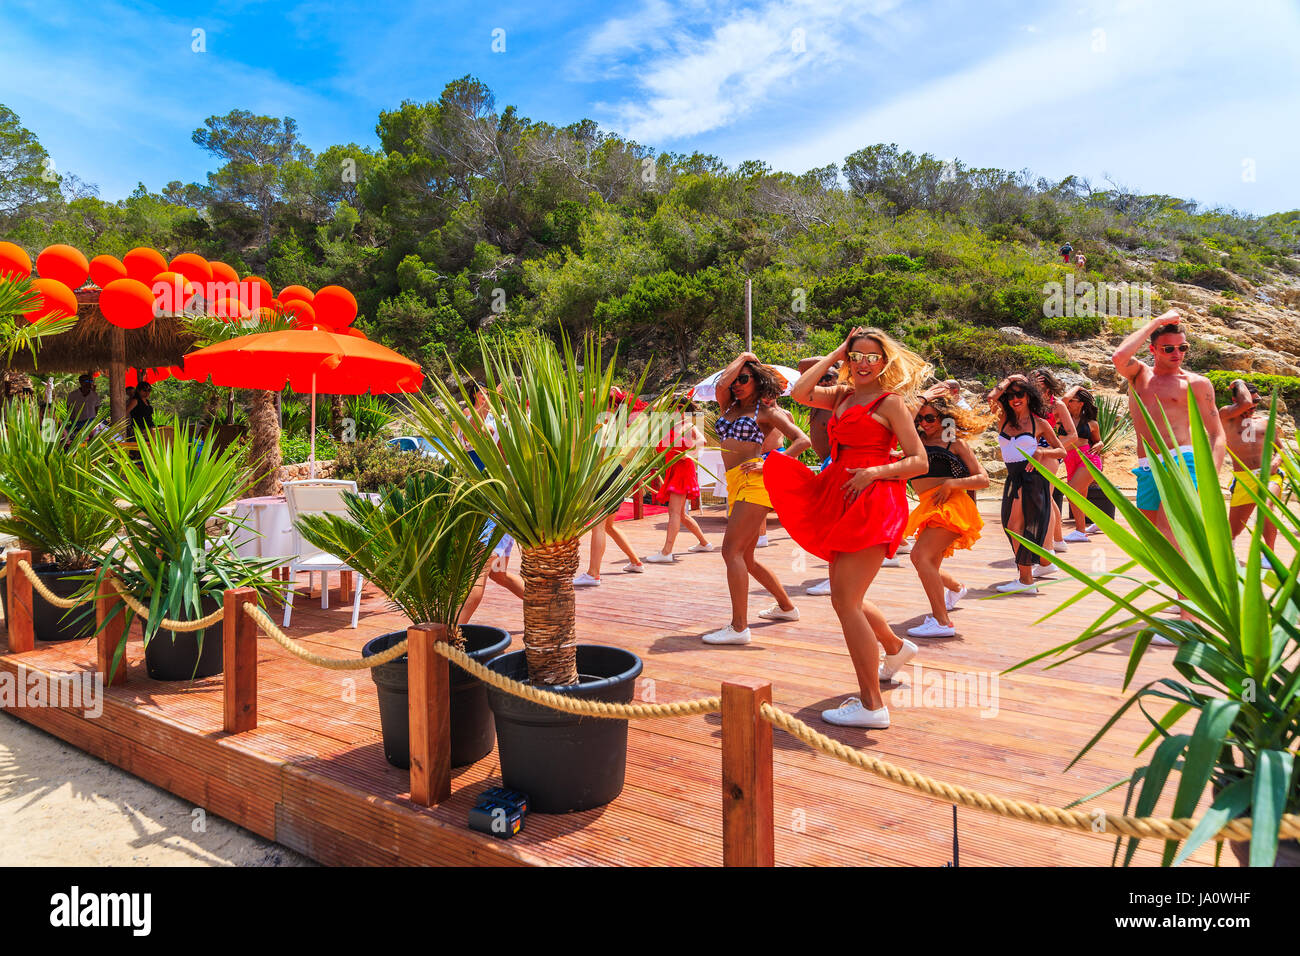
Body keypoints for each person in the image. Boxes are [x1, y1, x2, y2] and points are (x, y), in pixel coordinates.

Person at [765, 328, 929, 729]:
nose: (863, 363)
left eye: (872, 357)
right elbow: (799, 392)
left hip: (873, 499)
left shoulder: (890, 403)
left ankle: (872, 705)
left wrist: (875, 471)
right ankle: (894, 647)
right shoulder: (841, 395)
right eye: (857, 356)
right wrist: (838, 351)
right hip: (839, 494)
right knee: (846, 597)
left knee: (845, 600)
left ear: (884, 361)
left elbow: (919, 461)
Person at [700, 353, 810, 643]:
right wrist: (744, 358)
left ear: (758, 381)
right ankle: (786, 607)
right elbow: (721, 384)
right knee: (745, 557)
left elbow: (803, 441)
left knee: (730, 552)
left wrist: (770, 461)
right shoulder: (729, 406)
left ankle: (738, 628)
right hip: (736, 482)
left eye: (744, 379)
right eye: (736, 379)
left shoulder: (765, 411)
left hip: (756, 482)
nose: (737, 384)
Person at [1111, 311, 1226, 541]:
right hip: (1147, 465)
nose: (1177, 353)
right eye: (1168, 348)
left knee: (1170, 529)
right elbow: (1119, 357)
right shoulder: (1139, 375)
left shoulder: (1197, 384)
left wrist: (1210, 475)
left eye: (1182, 348)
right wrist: (1157, 322)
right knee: (1155, 540)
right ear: (1153, 349)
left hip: (1182, 461)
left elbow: (1216, 432)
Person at [902, 392, 991, 637]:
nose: (923, 423)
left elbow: (983, 479)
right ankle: (956, 587)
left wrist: (952, 484)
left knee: (919, 556)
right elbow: (903, 419)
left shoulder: (955, 443)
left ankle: (942, 623)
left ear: (944, 418)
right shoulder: (915, 441)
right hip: (928, 506)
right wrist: (919, 400)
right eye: (920, 418)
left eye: (930, 418)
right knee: (927, 563)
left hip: (952, 506)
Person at [987, 374, 1065, 593]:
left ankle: (1026, 580)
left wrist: (1041, 452)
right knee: (1011, 527)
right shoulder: (1003, 418)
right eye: (1010, 395)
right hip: (1013, 478)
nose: (1015, 399)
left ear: (1029, 396)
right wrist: (1009, 379)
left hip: (1031, 478)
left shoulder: (1038, 423)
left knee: (1016, 527)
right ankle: (1026, 577)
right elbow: (990, 398)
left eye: (1020, 394)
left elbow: (1062, 450)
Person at [574, 388, 649, 586]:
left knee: (597, 525)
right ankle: (635, 561)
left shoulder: (604, 423)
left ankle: (593, 574)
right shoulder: (617, 421)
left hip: (605, 473)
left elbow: (581, 395)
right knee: (609, 525)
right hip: (616, 473)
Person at [1219, 380, 1281, 564]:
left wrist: (1276, 461)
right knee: (1234, 529)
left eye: (1257, 401)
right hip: (1244, 478)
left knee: (1266, 506)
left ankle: (1269, 556)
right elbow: (1244, 403)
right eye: (1251, 401)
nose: (1253, 406)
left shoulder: (1264, 421)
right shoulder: (1226, 416)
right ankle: (1229, 556)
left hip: (1269, 475)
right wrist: (1238, 382)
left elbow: (1281, 449)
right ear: (1235, 401)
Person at [644, 398, 712, 561]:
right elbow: (654, 407)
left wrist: (688, 454)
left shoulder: (688, 426)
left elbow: (702, 442)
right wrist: (671, 396)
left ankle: (666, 552)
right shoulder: (668, 426)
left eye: (675, 408)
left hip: (682, 471)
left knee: (673, 512)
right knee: (680, 514)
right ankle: (704, 543)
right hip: (673, 470)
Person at [799, 357, 839, 597]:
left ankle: (834, 578)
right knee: (829, 522)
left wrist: (844, 355)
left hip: (836, 462)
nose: (824, 381)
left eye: (829, 377)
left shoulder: (838, 399)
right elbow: (803, 364)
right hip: (827, 462)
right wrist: (827, 363)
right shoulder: (816, 397)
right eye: (821, 377)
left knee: (832, 523)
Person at [1030, 367, 1076, 554]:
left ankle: (1047, 548)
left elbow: (1072, 434)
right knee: (1046, 498)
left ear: (1048, 386)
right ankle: (1057, 540)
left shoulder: (1057, 405)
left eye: (1038, 385)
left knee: (1043, 498)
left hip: (1048, 452)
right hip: (1029, 452)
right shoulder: (1027, 403)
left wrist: (1051, 447)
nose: (1033, 387)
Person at [1061, 385, 1103, 541]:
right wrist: (1076, 387)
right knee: (1080, 497)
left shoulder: (1092, 423)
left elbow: (1098, 441)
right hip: (1070, 460)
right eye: (1070, 400)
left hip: (1088, 459)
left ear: (1081, 404)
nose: (1070, 402)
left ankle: (1080, 532)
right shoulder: (1063, 418)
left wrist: (1100, 444)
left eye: (1074, 400)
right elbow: (1063, 401)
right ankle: (1098, 521)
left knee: (1071, 492)